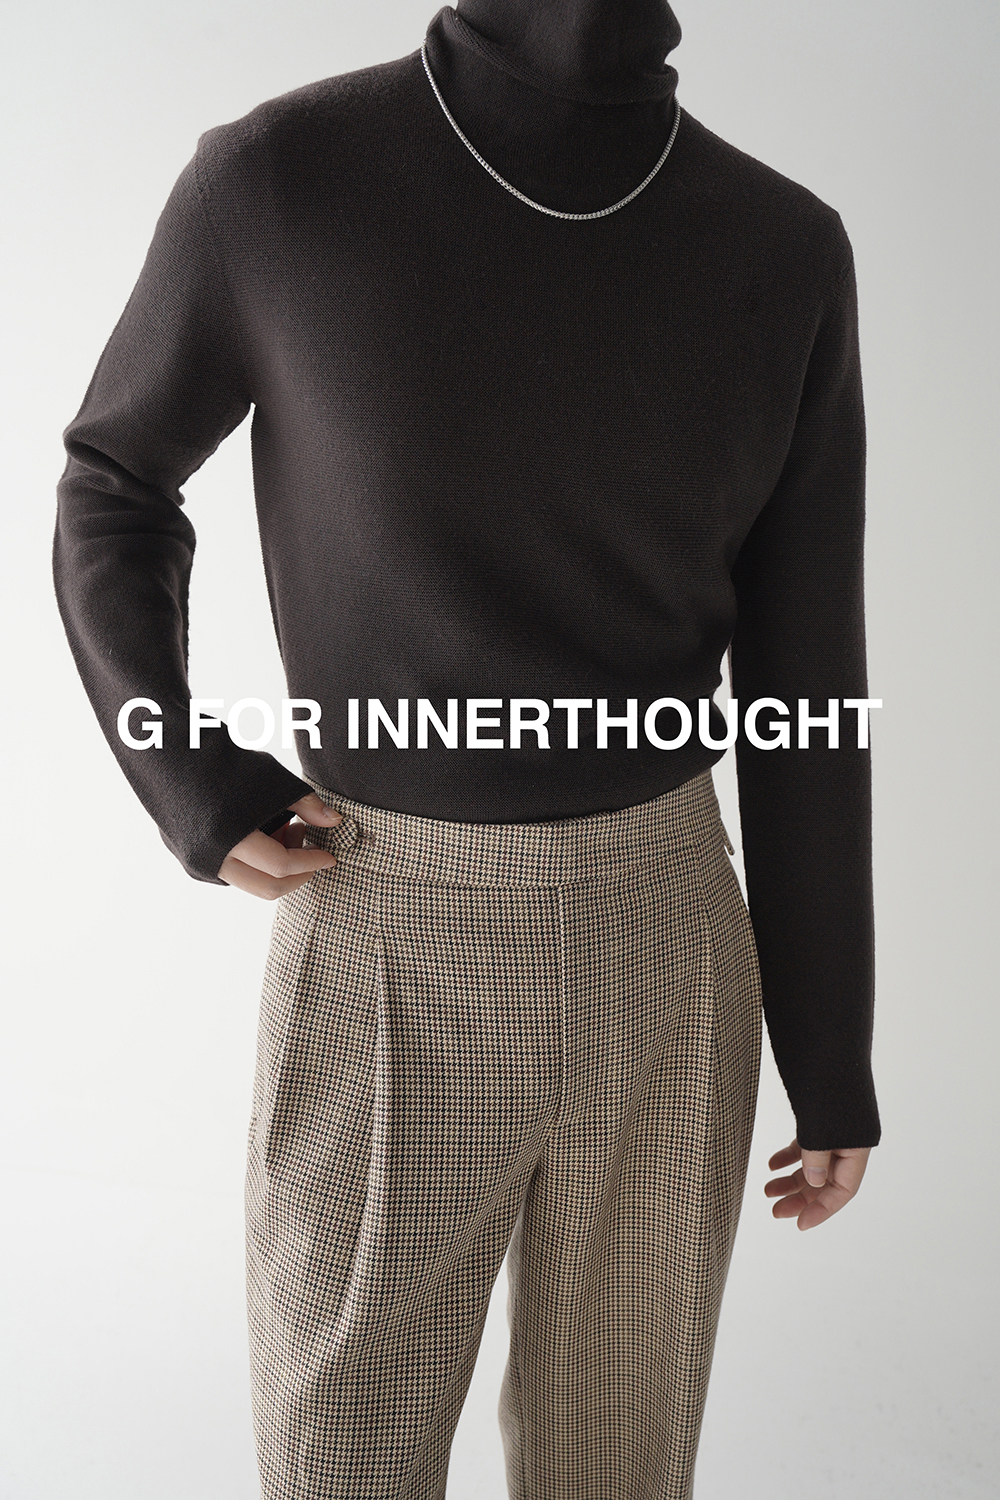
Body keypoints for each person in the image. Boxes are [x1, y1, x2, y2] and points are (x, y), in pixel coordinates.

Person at [53, 0, 882, 1498]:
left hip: (667, 943)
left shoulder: (782, 246)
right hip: (387, 927)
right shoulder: (280, 181)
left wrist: (831, 1054)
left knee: (617, 1473)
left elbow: (807, 673)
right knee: (341, 1469)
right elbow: (114, 476)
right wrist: (184, 773)